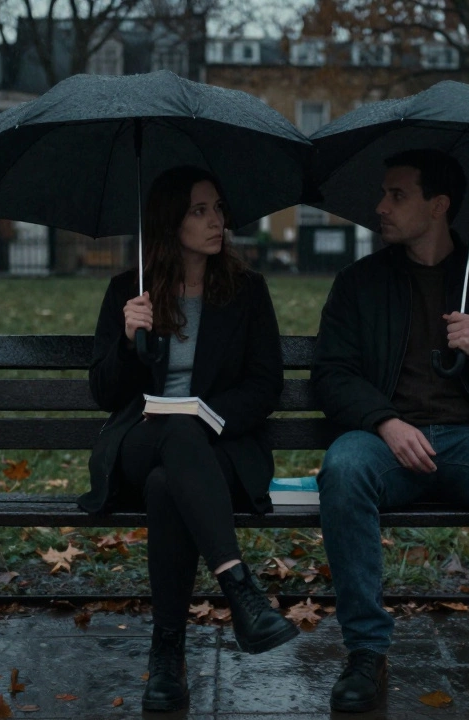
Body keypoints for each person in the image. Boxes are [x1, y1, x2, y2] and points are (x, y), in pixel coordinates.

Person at [312, 149, 469, 714]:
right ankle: (366, 652)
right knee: (343, 469)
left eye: (398, 195)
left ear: (439, 205)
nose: (381, 207)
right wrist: (385, 422)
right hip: (383, 445)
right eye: (383, 193)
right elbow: (331, 376)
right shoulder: (359, 284)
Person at [80, 165, 298, 712]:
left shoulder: (246, 292)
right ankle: (239, 588)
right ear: (169, 221)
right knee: (164, 449)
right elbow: (105, 394)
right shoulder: (128, 292)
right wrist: (130, 342)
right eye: (200, 210)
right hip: (138, 441)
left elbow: (265, 384)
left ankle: (166, 654)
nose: (216, 221)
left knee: (165, 487)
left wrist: (205, 416)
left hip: (217, 447)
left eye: (218, 209)